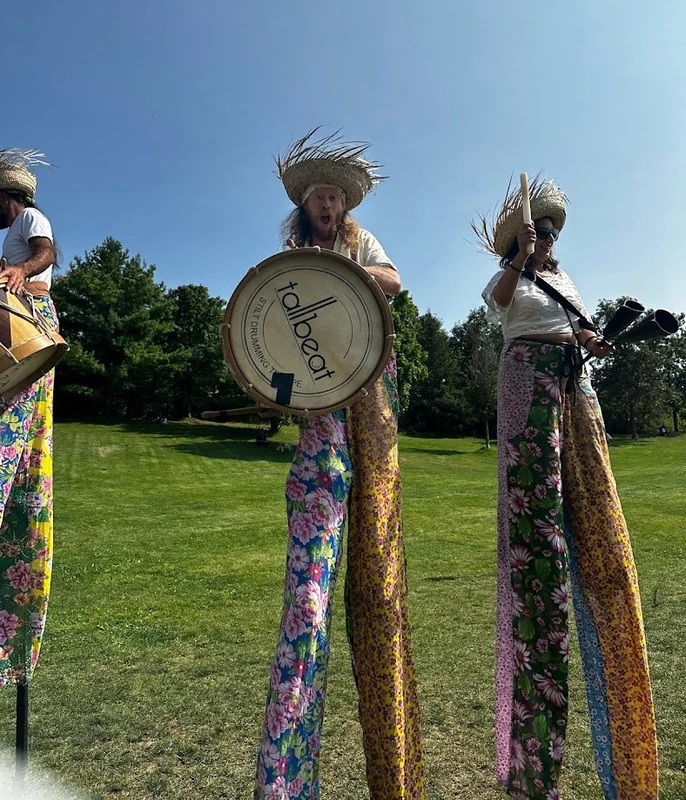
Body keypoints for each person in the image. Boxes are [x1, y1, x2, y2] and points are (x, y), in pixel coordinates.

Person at [254, 129, 425, 800]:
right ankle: (289, 771)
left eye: (334, 196)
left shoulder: (359, 244)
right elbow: (268, 324)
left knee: (379, 571)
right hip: (321, 407)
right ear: (305, 202)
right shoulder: (291, 254)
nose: (327, 204)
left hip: (370, 400)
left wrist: (344, 272)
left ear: (344, 203)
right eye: (318, 196)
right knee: (312, 585)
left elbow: (395, 281)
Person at [474, 176, 658, 800]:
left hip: (575, 388)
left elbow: (571, 327)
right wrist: (519, 260)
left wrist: (591, 339)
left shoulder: (567, 280)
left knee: (598, 516)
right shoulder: (512, 277)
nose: (547, 239)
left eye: (551, 233)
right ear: (519, 240)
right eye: (537, 232)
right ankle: (531, 757)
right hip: (528, 386)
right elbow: (498, 303)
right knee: (537, 531)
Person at [0, 149, 60, 688]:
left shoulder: (28, 220)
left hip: (34, 323)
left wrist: (20, 269)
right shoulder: (10, 230)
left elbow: (46, 254)